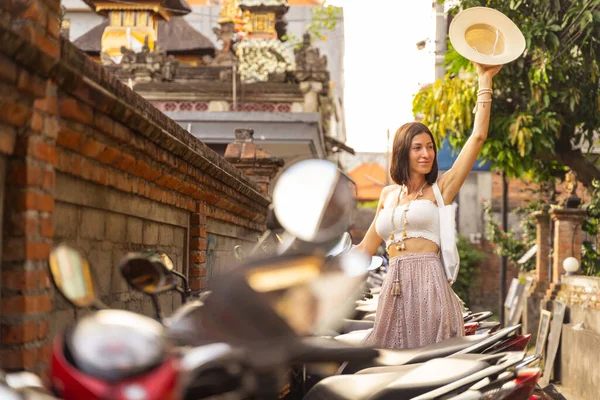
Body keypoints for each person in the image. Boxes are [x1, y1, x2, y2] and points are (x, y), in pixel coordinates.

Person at [356, 62, 502, 349]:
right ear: (402, 152)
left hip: (430, 288)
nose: (427, 154)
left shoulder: (440, 190)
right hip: (392, 292)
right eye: (418, 147)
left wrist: (484, 81)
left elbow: (477, 138)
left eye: (430, 147)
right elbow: (364, 249)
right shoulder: (387, 195)